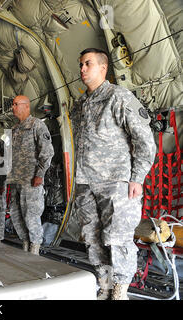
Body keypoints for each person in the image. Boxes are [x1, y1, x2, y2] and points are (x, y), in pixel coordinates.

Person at [70, 48, 156, 300]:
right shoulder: (81, 105)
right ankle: (105, 286)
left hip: (115, 182)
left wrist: (137, 178)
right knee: (93, 238)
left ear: (103, 68)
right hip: (86, 183)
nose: (82, 69)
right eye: (80, 64)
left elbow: (144, 140)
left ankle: (119, 291)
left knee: (117, 239)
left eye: (87, 64)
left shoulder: (118, 97)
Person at [6, 95, 54, 255]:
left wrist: (39, 175)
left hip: (31, 181)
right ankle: (25, 246)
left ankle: (35, 250)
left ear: (26, 106)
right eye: (12, 104)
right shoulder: (14, 130)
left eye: (15, 104)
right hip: (16, 181)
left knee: (31, 216)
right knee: (16, 214)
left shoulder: (37, 126)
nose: (13, 107)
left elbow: (47, 152)